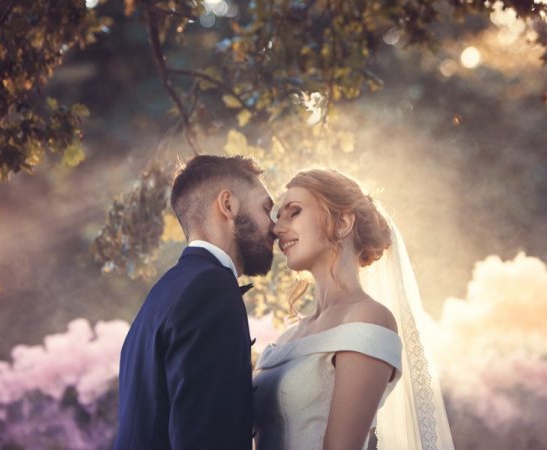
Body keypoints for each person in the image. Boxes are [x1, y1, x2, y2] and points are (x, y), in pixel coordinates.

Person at [253, 169, 454, 450]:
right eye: (277, 217)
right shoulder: (286, 338)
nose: (277, 229)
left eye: (294, 212)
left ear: (343, 222)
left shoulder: (369, 319)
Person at [114, 155, 276, 450]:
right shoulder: (211, 289)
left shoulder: (163, 292)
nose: (275, 227)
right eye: (267, 208)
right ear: (228, 205)